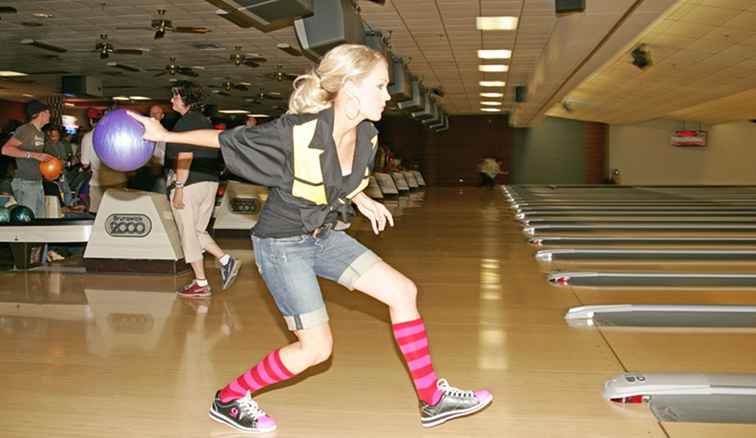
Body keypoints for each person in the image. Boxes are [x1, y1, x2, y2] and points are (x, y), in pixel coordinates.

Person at [128, 44, 492, 434]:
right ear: (351, 89)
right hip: (282, 245)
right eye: (381, 86)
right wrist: (164, 134)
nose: (388, 96)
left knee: (402, 292)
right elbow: (224, 140)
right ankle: (230, 398)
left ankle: (431, 400)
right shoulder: (296, 133)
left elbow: (335, 174)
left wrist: (361, 197)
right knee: (316, 350)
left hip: (321, 236)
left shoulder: (367, 135)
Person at [165, 81, 241, 297]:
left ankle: (201, 282)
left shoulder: (185, 123)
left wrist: (179, 187)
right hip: (209, 182)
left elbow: (185, 156)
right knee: (198, 231)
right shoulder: (204, 122)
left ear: (185, 100)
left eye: (176, 97)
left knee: (187, 233)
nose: (172, 100)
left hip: (189, 183)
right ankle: (226, 260)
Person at [0, 100, 55, 218]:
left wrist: (46, 170)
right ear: (41, 113)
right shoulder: (25, 130)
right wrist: (34, 155)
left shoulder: (40, 133)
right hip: (25, 183)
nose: (50, 115)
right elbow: (6, 149)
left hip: (37, 182)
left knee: (40, 221)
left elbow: (36, 159)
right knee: (28, 223)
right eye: (48, 112)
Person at [80, 108, 128, 213]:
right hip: (119, 180)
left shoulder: (88, 137)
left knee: (97, 215)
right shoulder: (117, 134)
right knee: (117, 213)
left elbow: (85, 163)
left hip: (98, 183)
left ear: (90, 120)